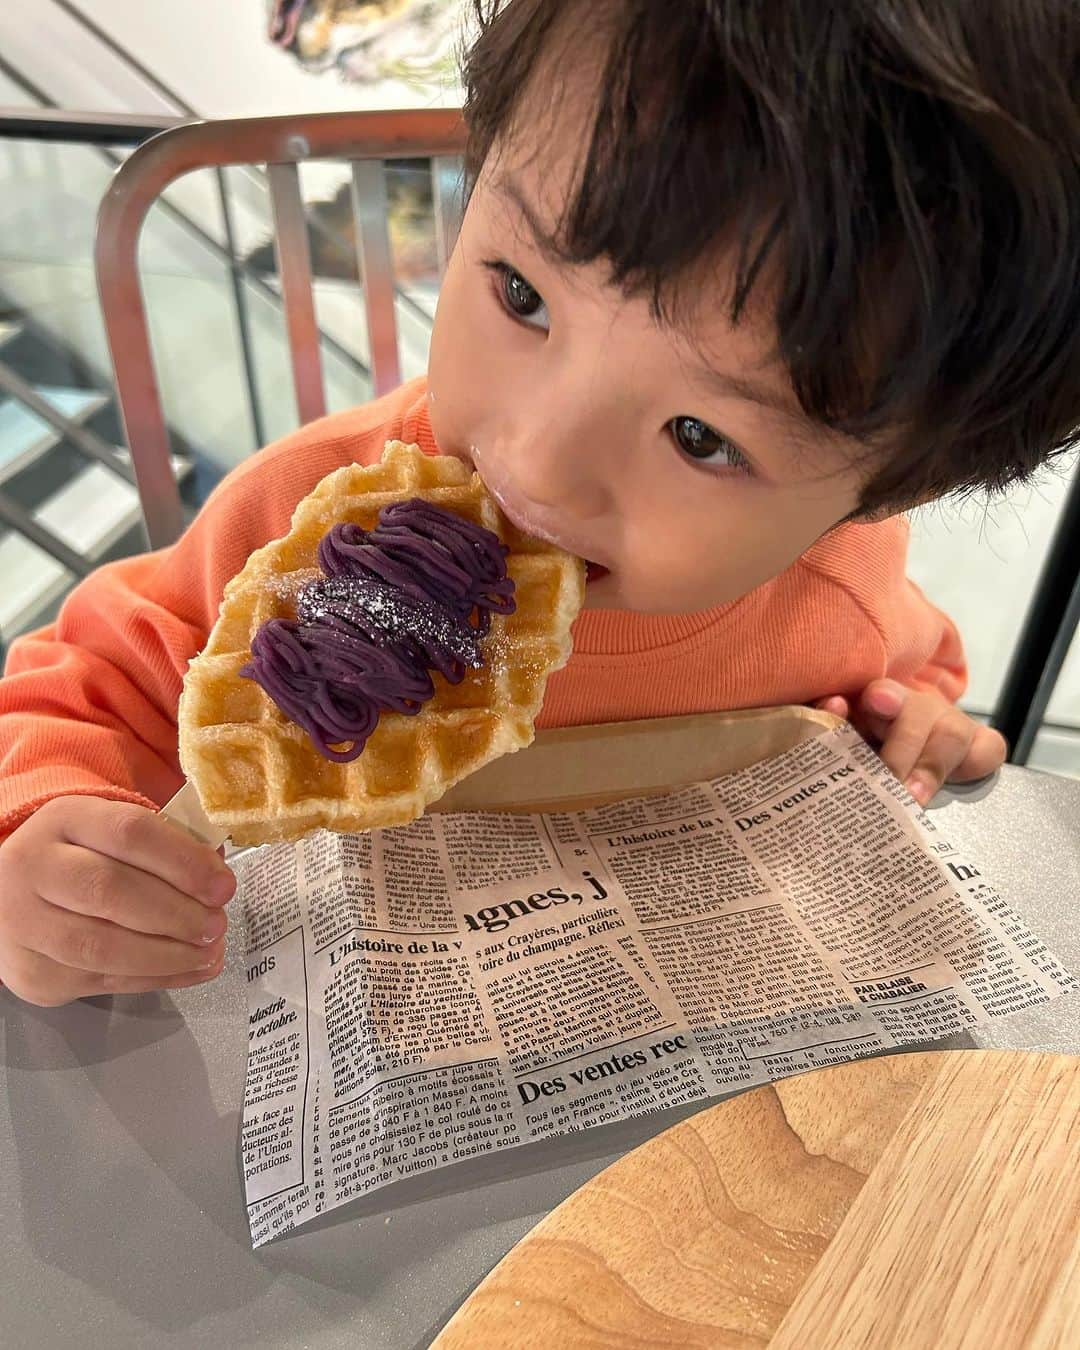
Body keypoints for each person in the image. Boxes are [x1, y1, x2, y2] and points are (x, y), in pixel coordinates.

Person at [1, 0, 1076, 1007]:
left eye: (702, 437)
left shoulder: (834, 586)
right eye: (522, 294)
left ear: (888, 488)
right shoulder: (301, 521)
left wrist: (920, 721)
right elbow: (81, 690)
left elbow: (905, 668)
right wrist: (43, 842)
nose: (539, 464)